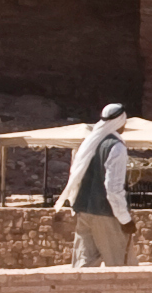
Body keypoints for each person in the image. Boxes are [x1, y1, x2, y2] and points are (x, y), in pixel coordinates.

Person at [55, 103, 137, 267]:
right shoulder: (116, 147)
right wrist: (125, 219)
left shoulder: (89, 143)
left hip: (83, 210)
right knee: (121, 265)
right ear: (120, 121)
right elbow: (113, 189)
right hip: (105, 213)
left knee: (84, 264)